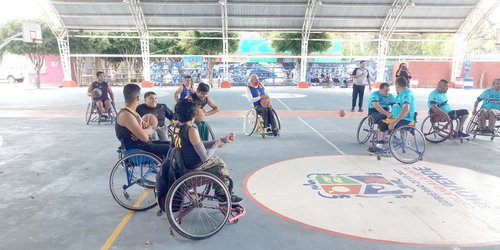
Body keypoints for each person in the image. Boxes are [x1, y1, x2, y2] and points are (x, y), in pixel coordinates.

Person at [174, 99, 243, 204]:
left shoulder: (177, 127)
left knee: (215, 161)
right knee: (219, 164)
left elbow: (198, 144)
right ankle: (222, 194)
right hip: (193, 167)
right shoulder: (191, 130)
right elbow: (205, 157)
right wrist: (216, 145)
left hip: (182, 164)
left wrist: (222, 140)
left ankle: (221, 192)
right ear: (194, 114)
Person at [115, 84, 170, 159]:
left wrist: (141, 131)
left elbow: (146, 130)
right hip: (136, 148)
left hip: (142, 144)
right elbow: (145, 137)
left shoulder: (133, 113)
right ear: (138, 97)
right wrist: (145, 131)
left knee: (171, 144)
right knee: (171, 149)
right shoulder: (126, 115)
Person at [368, 77, 415, 152]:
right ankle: (380, 144)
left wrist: (394, 121)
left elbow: (406, 108)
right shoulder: (401, 94)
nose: (388, 92)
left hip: (405, 119)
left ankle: (380, 146)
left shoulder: (406, 93)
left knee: (383, 124)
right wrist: (391, 116)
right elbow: (396, 107)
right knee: (383, 123)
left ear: (397, 85)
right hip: (378, 113)